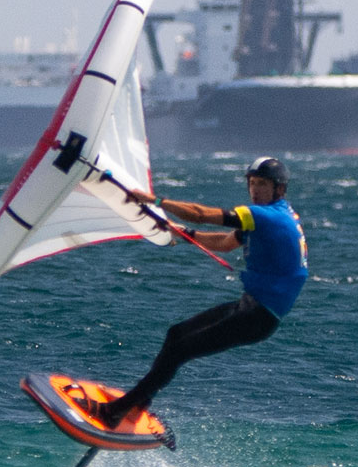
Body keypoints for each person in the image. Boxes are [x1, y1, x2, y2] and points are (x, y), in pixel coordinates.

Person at [79, 156, 309, 428]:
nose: (255, 190)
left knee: (179, 351)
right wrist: (184, 233)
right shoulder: (275, 216)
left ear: (279, 189)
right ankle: (140, 401)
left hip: (259, 317)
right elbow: (225, 243)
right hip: (250, 307)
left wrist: (154, 201)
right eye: (252, 183)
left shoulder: (266, 217)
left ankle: (114, 411)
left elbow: (201, 214)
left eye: (263, 184)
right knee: (176, 335)